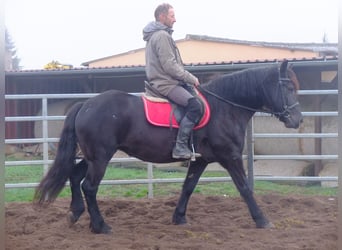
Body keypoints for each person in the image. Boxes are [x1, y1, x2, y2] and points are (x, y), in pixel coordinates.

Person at [143, 3, 203, 160]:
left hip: (163, 81)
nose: (175, 20)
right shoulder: (162, 36)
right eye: (172, 16)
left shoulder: (156, 35)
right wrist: (191, 78)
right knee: (195, 106)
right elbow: (170, 66)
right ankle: (180, 147)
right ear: (162, 17)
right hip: (166, 84)